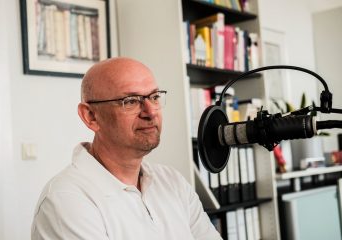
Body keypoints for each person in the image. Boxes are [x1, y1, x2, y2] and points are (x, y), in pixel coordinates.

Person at [31, 57, 222, 240]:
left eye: (154, 97)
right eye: (131, 101)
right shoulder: (66, 201)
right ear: (91, 116)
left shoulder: (173, 182)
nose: (150, 112)